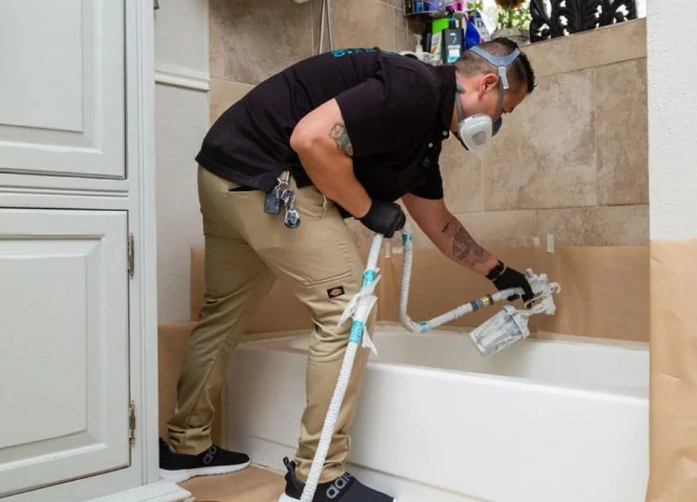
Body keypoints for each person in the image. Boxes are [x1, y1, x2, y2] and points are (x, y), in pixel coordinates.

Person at [159, 37, 537, 502]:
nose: (497, 124)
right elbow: (311, 139)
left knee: (224, 312)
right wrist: (366, 209)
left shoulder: (421, 130)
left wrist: (498, 272)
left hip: (226, 172)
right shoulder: (414, 88)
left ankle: (186, 446)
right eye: (505, 111)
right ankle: (317, 477)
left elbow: (439, 224)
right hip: (269, 177)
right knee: (348, 313)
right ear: (487, 84)